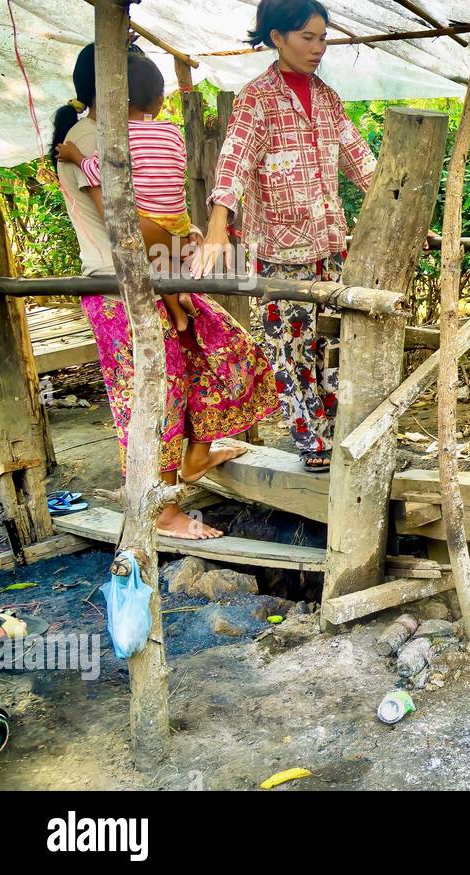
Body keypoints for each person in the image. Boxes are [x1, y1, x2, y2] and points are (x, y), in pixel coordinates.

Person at [51, 44, 278, 540]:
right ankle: (163, 510)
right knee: (156, 391)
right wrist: (185, 239)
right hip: (120, 287)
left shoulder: (121, 135)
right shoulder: (92, 138)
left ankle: (196, 455)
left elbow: (154, 211)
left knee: (215, 351)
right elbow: (127, 224)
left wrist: (183, 238)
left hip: (157, 273)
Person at [195, 0, 377, 473]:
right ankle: (312, 445)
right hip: (280, 250)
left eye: (322, 37)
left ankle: (337, 436)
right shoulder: (257, 97)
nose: (318, 48)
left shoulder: (329, 98)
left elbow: (361, 161)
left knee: (333, 345)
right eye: (307, 38)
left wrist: (402, 215)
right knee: (291, 349)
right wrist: (218, 223)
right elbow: (233, 159)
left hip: (329, 244)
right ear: (276, 38)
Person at [55, 50, 197, 332]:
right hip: (120, 286)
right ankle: (181, 295)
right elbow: (121, 223)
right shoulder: (93, 137)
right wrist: (184, 247)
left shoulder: (114, 135)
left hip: (142, 270)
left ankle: (180, 299)